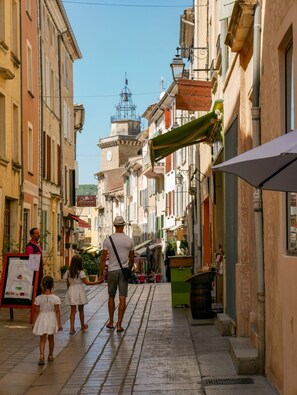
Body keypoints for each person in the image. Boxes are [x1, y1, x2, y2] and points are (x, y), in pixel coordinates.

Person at [99, 215, 134, 333]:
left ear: (114, 226)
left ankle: (111, 322)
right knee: (122, 297)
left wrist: (101, 273)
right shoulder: (129, 240)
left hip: (112, 271)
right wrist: (128, 268)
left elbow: (103, 259)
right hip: (123, 270)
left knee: (111, 296)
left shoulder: (108, 240)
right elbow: (132, 258)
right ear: (123, 226)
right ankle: (119, 324)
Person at [64, 254, 103, 334]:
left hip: (71, 290)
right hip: (79, 291)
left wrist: (68, 292)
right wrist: (97, 282)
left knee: (72, 310)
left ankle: (72, 328)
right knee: (81, 309)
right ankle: (82, 325)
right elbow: (87, 283)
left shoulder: (68, 272)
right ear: (80, 263)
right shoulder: (81, 272)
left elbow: (67, 283)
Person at [32, 275, 63, 365]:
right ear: (52, 285)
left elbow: (36, 312)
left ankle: (41, 355)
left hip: (42, 319)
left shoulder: (38, 298)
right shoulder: (56, 298)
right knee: (51, 338)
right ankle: (50, 355)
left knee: (42, 339)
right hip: (51, 319)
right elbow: (57, 311)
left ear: (42, 285)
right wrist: (59, 323)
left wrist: (34, 323)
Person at [26, 228, 43, 295]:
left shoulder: (38, 245)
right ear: (32, 235)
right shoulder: (30, 246)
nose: (38, 235)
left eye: (39, 233)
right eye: (36, 233)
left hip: (39, 271)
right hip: (34, 272)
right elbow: (30, 260)